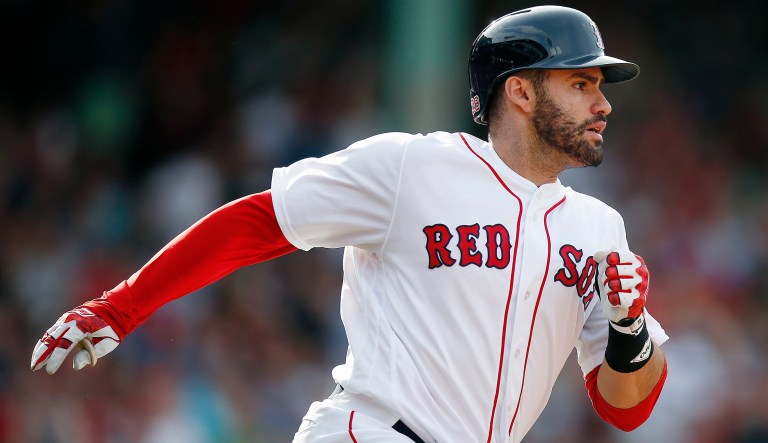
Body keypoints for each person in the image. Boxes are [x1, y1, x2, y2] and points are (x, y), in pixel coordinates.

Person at [31, 5, 668, 443]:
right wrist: (120, 308)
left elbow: (627, 406)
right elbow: (260, 222)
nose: (603, 101)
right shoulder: (412, 167)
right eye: (581, 82)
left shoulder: (599, 228)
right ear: (522, 93)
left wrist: (628, 327)